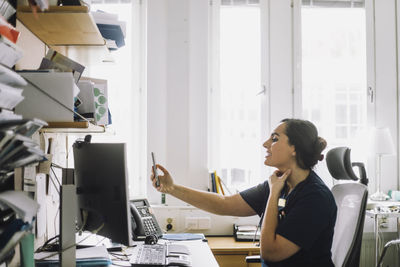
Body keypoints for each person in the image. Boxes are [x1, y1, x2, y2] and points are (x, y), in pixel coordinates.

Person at [150, 118, 337, 267]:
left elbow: (270, 253)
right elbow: (224, 203)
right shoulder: (279, 184)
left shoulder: (314, 197)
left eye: (274, 139)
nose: (265, 144)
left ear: (294, 148)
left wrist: (273, 194)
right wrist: (172, 189)